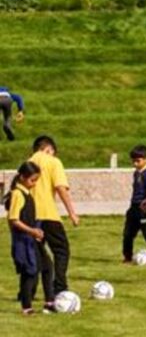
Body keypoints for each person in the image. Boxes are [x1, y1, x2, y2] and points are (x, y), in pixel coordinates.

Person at [27, 135, 79, 299]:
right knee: (61, 250)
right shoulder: (53, 162)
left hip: (30, 217)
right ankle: (60, 287)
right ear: (49, 149)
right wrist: (72, 212)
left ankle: (28, 292)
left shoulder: (27, 164)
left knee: (36, 254)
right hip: (48, 214)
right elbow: (61, 188)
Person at [6, 162, 52, 316]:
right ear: (22, 177)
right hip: (23, 241)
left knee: (47, 266)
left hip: (32, 239)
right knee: (29, 272)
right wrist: (32, 231)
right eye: (32, 180)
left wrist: (37, 229)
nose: (34, 183)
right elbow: (14, 220)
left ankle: (49, 302)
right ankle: (27, 307)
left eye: (36, 180)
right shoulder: (17, 194)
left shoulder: (27, 193)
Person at [122, 145, 146, 264]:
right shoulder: (137, 173)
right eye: (133, 161)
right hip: (134, 208)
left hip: (143, 209)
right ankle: (127, 257)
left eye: (138, 161)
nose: (135, 163)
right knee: (128, 234)